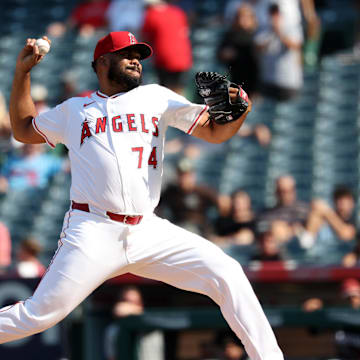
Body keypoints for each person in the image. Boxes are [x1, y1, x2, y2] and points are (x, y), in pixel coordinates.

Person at [1, 31, 284, 360]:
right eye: (126, 54)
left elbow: (215, 131)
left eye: (139, 55)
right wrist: (23, 73)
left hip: (148, 229)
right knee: (41, 314)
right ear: (103, 62)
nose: (136, 59)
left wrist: (240, 112)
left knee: (227, 272)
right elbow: (23, 129)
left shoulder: (157, 97)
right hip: (93, 229)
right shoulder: (74, 110)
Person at [156, 157, 220, 237]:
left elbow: (223, 206)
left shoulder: (203, 192)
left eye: (187, 175)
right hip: (178, 226)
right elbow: (157, 207)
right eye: (181, 175)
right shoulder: (171, 192)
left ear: (193, 176)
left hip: (200, 229)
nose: (184, 179)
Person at [141, 0, 192, 95]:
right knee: (178, 88)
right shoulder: (177, 12)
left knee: (166, 91)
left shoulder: (151, 15)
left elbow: (146, 37)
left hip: (164, 57)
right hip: (183, 56)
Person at [104, 285, 164, 360]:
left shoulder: (153, 325)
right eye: (128, 302)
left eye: (135, 302)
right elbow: (111, 356)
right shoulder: (113, 329)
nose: (130, 306)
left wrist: (136, 311)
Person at [218, 4, 260, 97]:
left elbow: (257, 65)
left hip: (251, 84)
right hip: (234, 82)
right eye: (240, 16)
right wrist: (225, 54)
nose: (243, 20)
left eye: (247, 17)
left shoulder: (256, 37)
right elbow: (220, 54)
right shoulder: (230, 36)